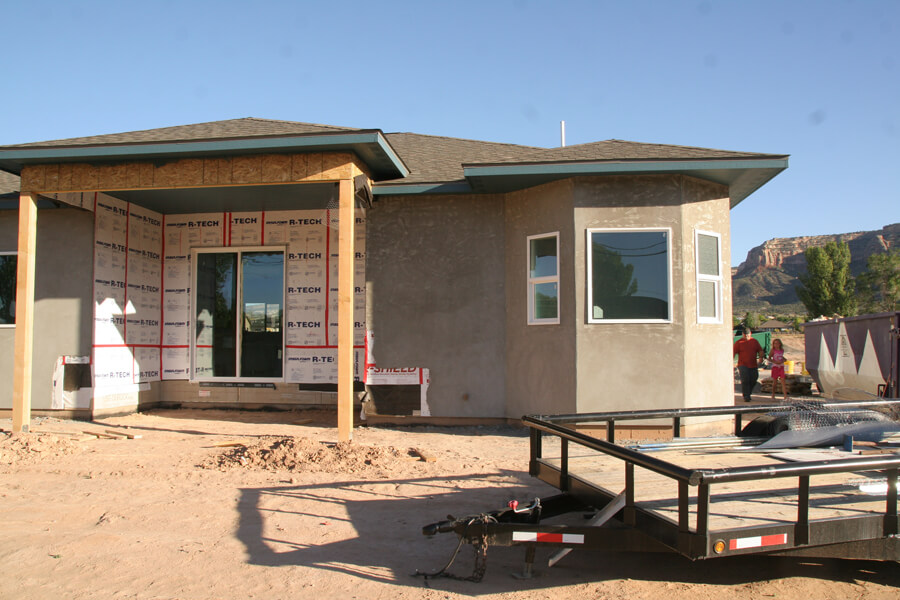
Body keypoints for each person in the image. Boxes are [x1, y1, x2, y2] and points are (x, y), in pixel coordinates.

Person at [733, 328, 765, 402]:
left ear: (750, 334)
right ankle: (746, 396)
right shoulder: (738, 343)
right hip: (742, 364)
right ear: (743, 334)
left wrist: (761, 357)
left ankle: (748, 393)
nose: (746, 336)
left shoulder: (754, 341)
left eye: (747, 334)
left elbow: (760, 350)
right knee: (745, 380)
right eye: (745, 335)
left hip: (753, 364)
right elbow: (733, 353)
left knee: (754, 379)